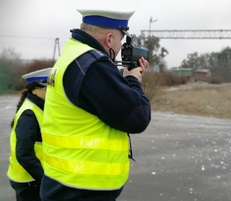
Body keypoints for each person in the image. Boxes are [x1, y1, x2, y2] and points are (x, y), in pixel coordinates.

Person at [40, 7, 151, 201]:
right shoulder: (93, 65)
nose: (120, 49)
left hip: (65, 182)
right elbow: (138, 118)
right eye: (120, 40)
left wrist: (123, 78)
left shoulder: (73, 56)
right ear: (109, 39)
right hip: (81, 188)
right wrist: (133, 80)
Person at [7, 68, 52, 201]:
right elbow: (24, 154)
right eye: (48, 88)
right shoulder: (29, 114)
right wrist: (44, 179)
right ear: (36, 89)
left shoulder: (39, 107)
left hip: (33, 179)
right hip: (29, 181)